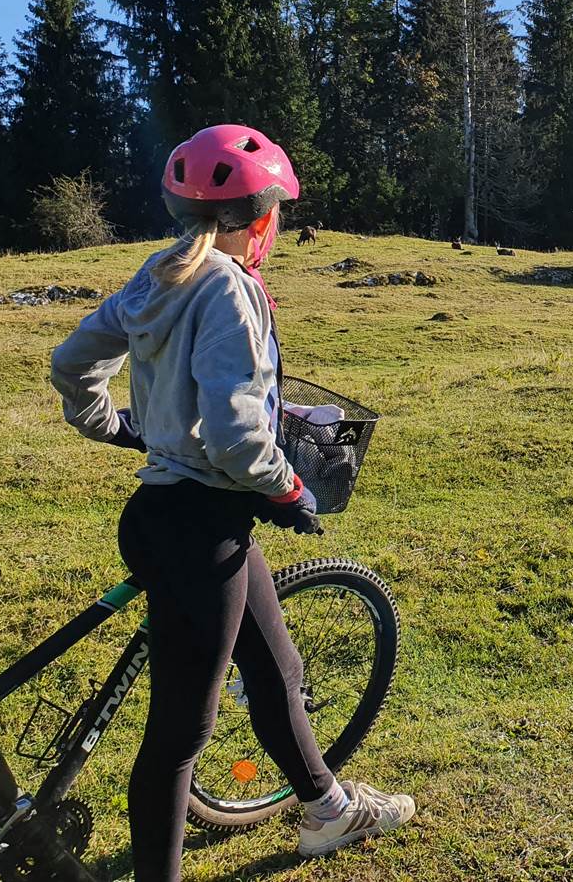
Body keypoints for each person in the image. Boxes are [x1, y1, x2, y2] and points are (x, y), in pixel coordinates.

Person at [50, 124, 414, 880]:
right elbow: (234, 430)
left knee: (275, 666)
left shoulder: (159, 274)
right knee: (179, 735)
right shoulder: (230, 287)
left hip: (171, 516)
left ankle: (327, 809)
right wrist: (286, 487)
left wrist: (116, 425)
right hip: (199, 529)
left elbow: (72, 361)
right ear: (263, 218)